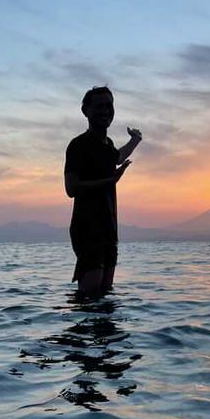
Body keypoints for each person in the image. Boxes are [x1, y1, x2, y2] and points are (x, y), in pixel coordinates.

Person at [64, 86, 142, 294]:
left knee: (105, 297)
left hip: (109, 227)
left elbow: (117, 157)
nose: (105, 111)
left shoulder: (107, 144)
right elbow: (71, 188)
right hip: (87, 227)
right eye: (99, 106)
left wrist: (135, 140)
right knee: (89, 298)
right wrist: (110, 181)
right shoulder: (78, 145)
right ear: (86, 111)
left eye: (109, 106)